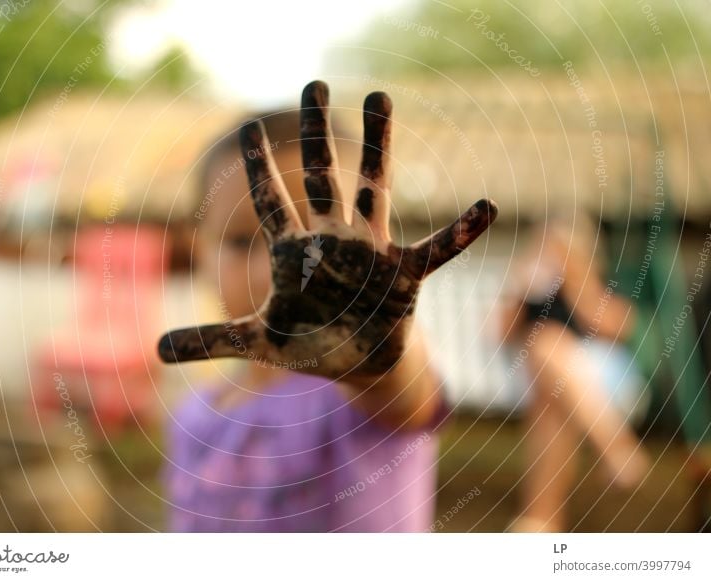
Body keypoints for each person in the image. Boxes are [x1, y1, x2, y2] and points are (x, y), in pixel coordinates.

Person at [158, 81, 497, 531]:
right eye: (241, 242)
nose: (271, 274)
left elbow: (403, 394)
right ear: (198, 249)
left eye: (316, 252)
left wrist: (373, 361)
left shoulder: (351, 387)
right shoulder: (193, 416)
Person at [502, 217, 650, 532]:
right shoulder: (532, 289)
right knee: (550, 383)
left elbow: (619, 327)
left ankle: (540, 520)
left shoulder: (595, 280)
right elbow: (501, 336)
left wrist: (575, 279)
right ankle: (616, 448)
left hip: (603, 383)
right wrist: (520, 289)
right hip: (548, 388)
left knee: (547, 347)